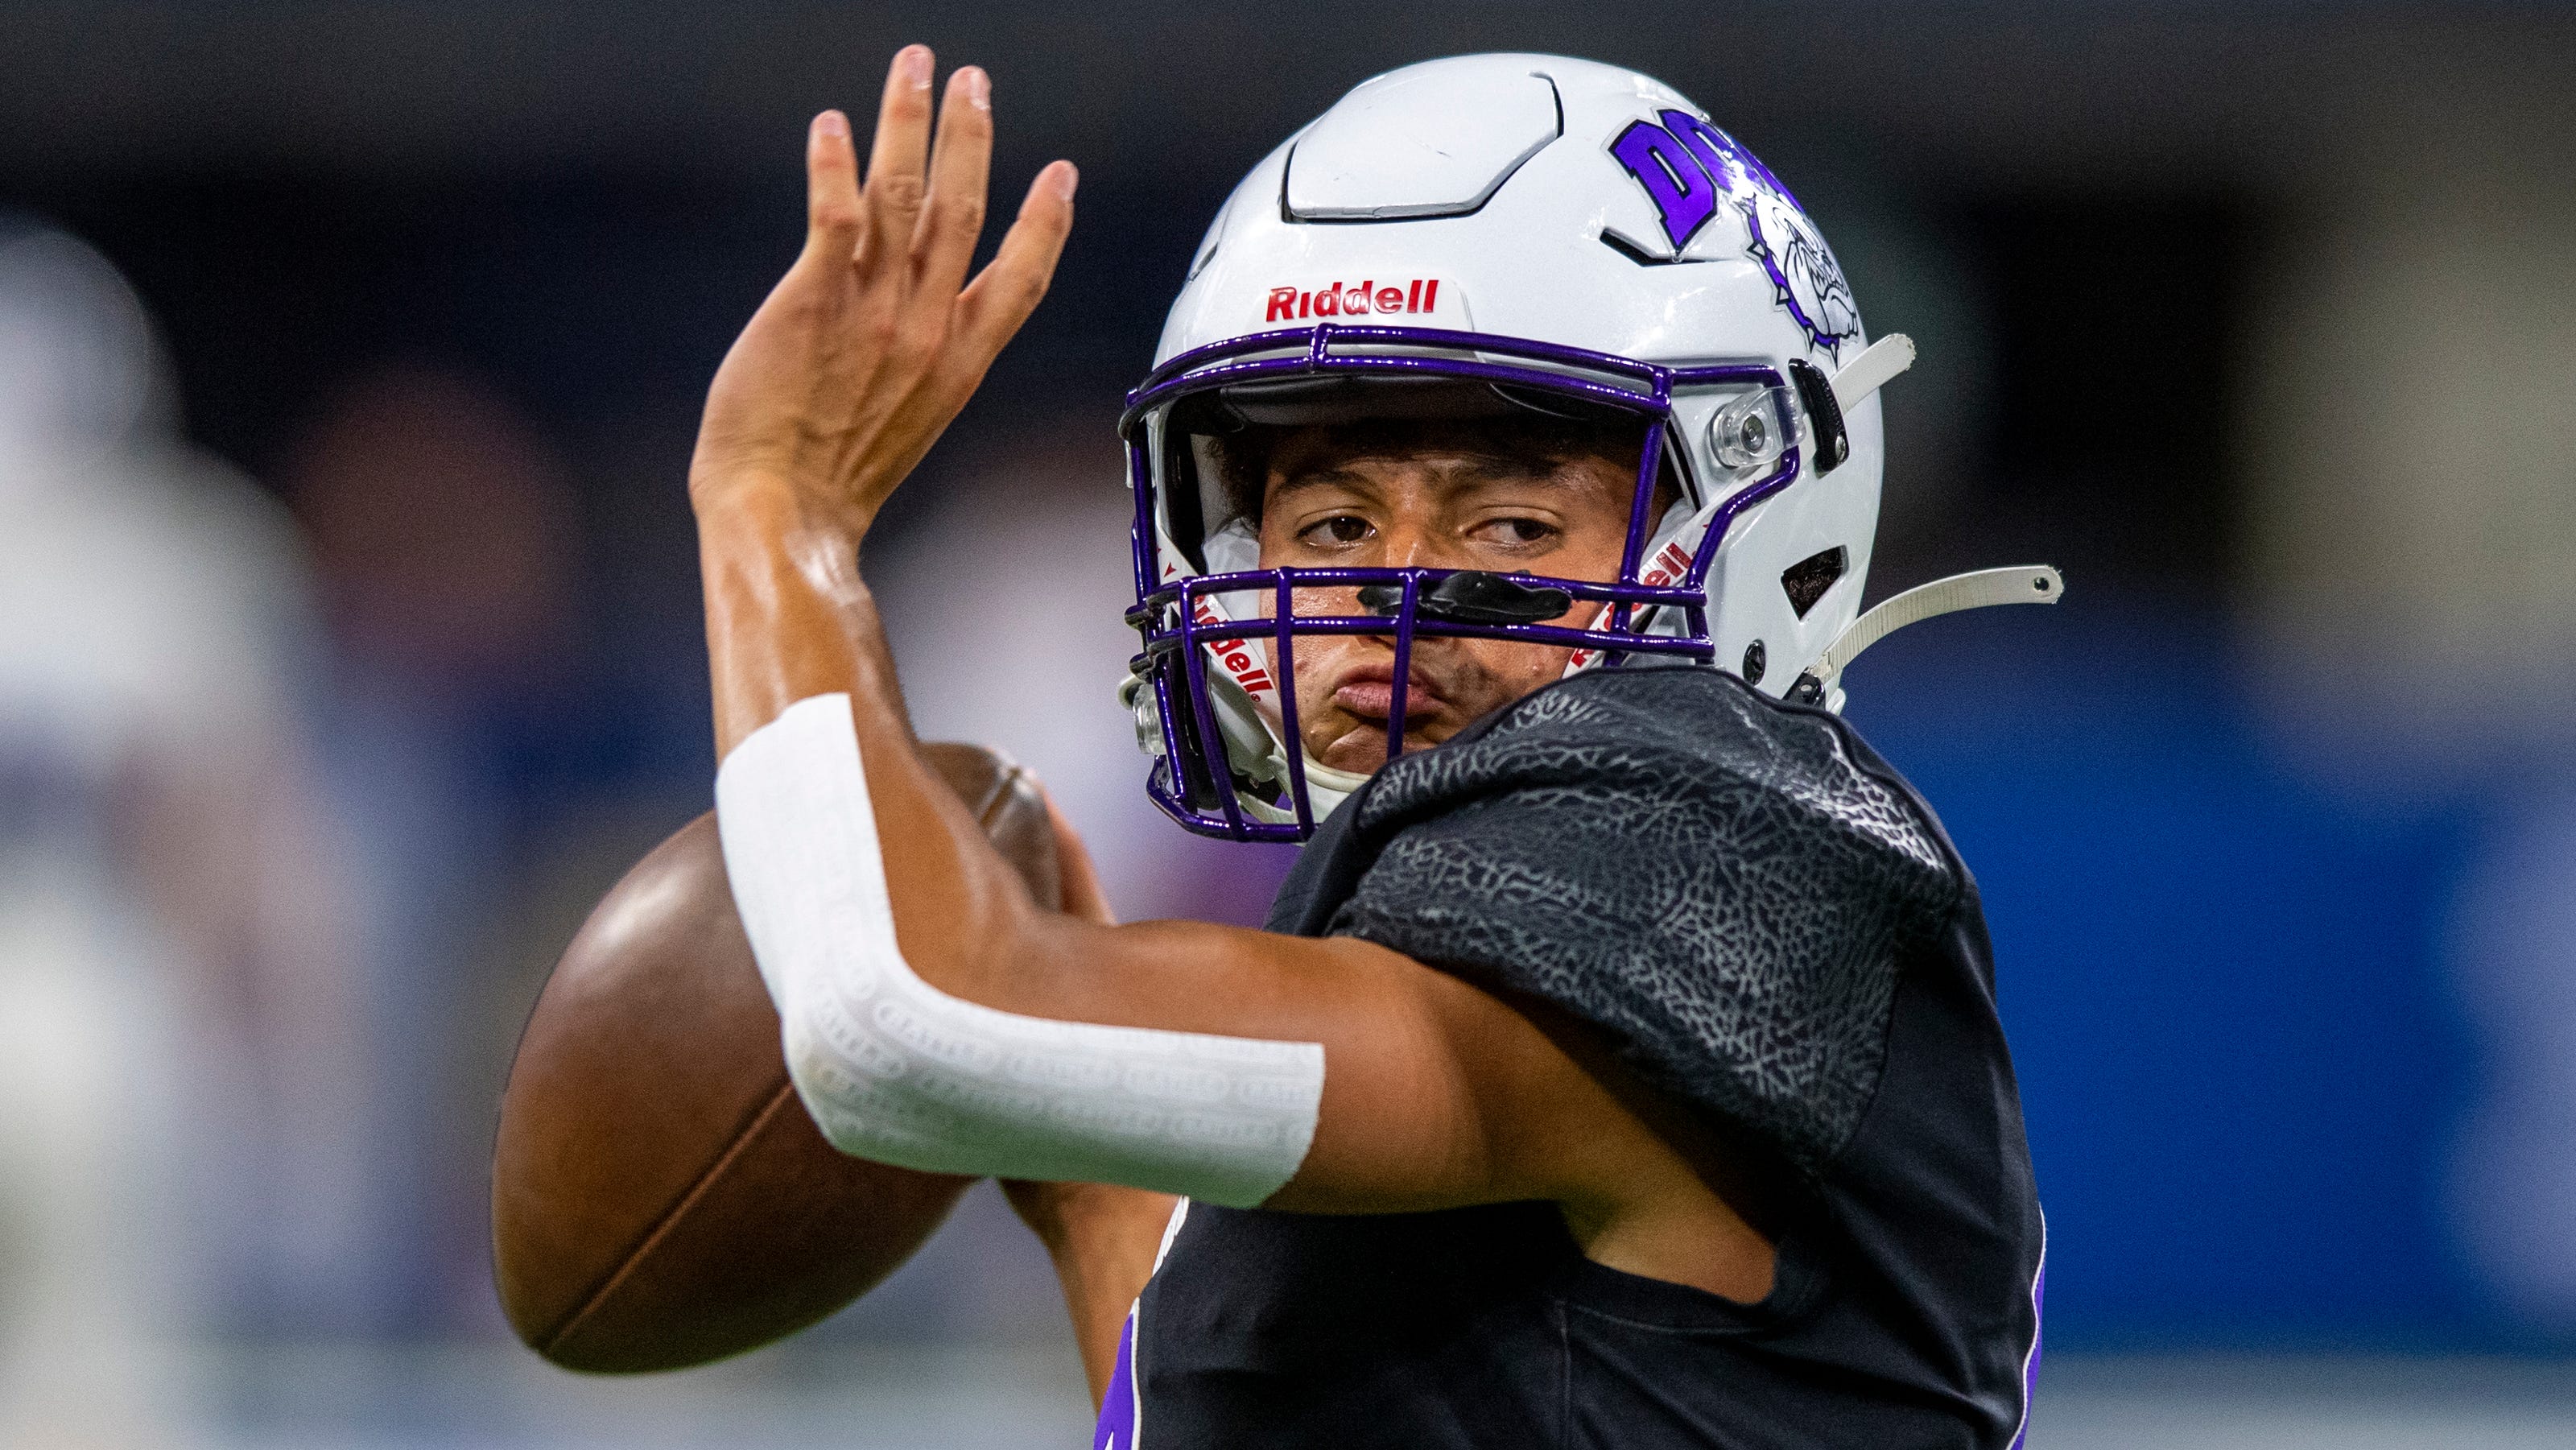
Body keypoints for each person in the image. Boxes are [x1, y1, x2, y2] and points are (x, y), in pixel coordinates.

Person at [691, 48, 2048, 1448]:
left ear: (1759, 523)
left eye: (1512, 524)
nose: (1389, 597)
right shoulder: (1435, 989)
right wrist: (1089, 1184)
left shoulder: (1728, 849)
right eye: (1332, 525)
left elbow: (897, 1019)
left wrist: (773, 501)